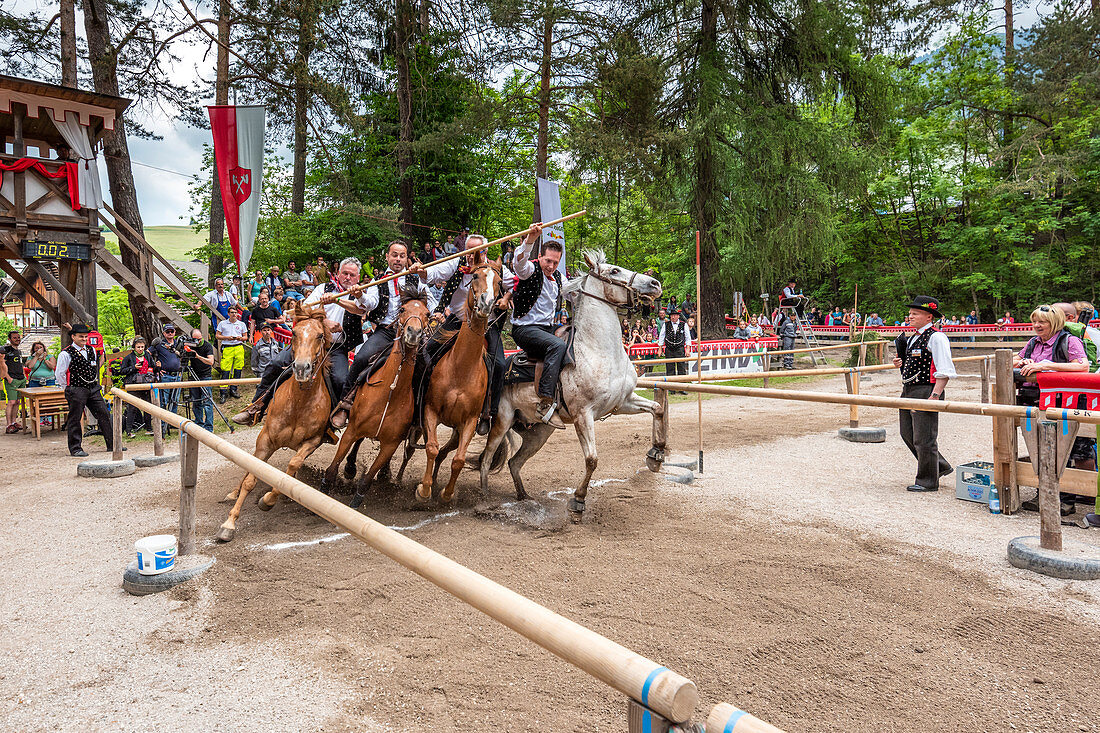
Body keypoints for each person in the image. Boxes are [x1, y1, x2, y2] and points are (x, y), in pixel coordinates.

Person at [233, 257, 368, 425]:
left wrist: (337, 300)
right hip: (308, 342)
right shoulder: (322, 289)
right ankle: (256, 407)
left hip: (336, 347)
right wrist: (325, 323)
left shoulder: (361, 295)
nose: (348, 278)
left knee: (341, 379)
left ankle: (332, 418)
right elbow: (304, 311)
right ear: (338, 273)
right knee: (275, 364)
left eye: (352, 275)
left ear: (358, 276)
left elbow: (363, 308)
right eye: (345, 273)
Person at [332, 240, 431, 428]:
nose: (398, 259)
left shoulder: (415, 278)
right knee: (361, 358)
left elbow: (430, 301)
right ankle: (344, 405)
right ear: (387, 257)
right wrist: (360, 295)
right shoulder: (378, 281)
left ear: (406, 257)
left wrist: (432, 311)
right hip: (386, 331)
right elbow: (370, 302)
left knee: (427, 365)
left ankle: (419, 411)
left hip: (411, 331)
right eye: (394, 255)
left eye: (402, 255)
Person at [425, 233, 514, 435]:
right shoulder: (456, 264)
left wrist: (506, 297)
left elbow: (515, 283)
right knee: (428, 350)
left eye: (477, 251)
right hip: (458, 320)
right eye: (468, 251)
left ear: (485, 251)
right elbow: (432, 273)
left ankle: (487, 413)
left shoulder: (495, 268)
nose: (472, 255)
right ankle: (423, 402)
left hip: (486, 324)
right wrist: (421, 272)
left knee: (499, 363)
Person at [892, 296, 956, 492]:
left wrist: (935, 395)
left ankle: (927, 480)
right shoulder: (912, 337)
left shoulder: (936, 337)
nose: (910, 316)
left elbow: (945, 369)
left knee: (924, 437)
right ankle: (939, 466)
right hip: (909, 389)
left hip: (926, 390)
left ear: (929, 316)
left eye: (915, 313)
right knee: (907, 433)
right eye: (910, 313)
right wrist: (900, 365)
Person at [509, 223, 569, 428]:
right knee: (557, 346)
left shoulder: (559, 278)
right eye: (548, 261)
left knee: (572, 337)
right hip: (525, 329)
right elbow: (519, 264)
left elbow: (574, 291)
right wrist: (530, 240)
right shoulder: (530, 269)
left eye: (555, 262)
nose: (550, 266)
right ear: (540, 257)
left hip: (547, 328)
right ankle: (545, 401)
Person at [54, 324, 118, 457]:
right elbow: (59, 373)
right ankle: (76, 448)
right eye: (81, 337)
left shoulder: (92, 350)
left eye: (85, 336)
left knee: (103, 414)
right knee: (75, 418)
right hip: (76, 389)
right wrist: (68, 388)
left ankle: (112, 444)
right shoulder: (66, 353)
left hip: (92, 387)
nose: (84, 339)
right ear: (73, 337)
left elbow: (95, 366)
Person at [114, 336, 154, 435]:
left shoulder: (148, 356)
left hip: (146, 384)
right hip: (133, 385)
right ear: (134, 347)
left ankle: (149, 428)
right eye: (138, 347)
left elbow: (152, 366)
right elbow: (122, 371)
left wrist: (158, 366)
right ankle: (129, 430)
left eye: (142, 347)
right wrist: (134, 368)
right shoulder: (128, 358)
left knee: (147, 406)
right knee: (132, 407)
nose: (140, 349)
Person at [181, 328, 216, 430]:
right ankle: (199, 424)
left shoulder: (207, 345)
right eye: (195, 339)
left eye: (199, 339)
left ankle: (209, 427)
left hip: (205, 376)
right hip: (193, 376)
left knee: (207, 402)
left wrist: (197, 356)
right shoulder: (190, 345)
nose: (198, 341)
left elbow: (211, 362)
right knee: (196, 401)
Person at [149, 323, 183, 426]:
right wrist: (156, 368)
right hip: (165, 376)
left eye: (172, 331)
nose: (170, 333)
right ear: (163, 333)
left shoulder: (179, 344)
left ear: (175, 332)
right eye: (167, 332)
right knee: (164, 401)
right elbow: (147, 354)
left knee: (175, 400)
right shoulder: (159, 344)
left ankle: (173, 423)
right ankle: (163, 424)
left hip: (177, 375)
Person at [215, 307, 248, 404]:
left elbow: (245, 337)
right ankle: (223, 392)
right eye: (232, 312)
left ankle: (234, 389)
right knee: (225, 370)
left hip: (238, 346)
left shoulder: (241, 324)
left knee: (238, 369)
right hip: (227, 347)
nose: (234, 314)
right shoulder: (222, 323)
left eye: (235, 312)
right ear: (228, 313)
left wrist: (240, 338)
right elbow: (217, 335)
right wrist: (227, 337)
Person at [250, 323, 285, 402]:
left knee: (275, 390)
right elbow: (254, 362)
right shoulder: (257, 346)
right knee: (262, 394)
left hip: (275, 371)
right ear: (261, 332)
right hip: (263, 373)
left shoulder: (275, 343)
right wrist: (258, 373)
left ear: (271, 331)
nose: (267, 332)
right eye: (264, 330)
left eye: (268, 330)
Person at [659, 310, 691, 394]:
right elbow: (661, 336)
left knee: (681, 367)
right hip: (669, 349)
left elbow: (688, 338)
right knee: (670, 368)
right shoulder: (666, 324)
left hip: (680, 348)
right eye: (671, 316)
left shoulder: (684, 324)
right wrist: (660, 348)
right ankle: (671, 388)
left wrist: (687, 349)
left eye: (674, 315)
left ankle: (682, 388)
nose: (673, 317)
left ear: (678, 316)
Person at [1, 330, 25, 433]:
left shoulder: (18, 351)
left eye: (18, 337)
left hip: (21, 378)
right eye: (14, 338)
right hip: (11, 379)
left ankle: (14, 422)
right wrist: (8, 377)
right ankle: (8, 424)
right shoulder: (6, 350)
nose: (17, 339)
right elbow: (1, 364)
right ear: (10, 339)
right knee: (11, 402)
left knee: (17, 402)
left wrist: (24, 375)